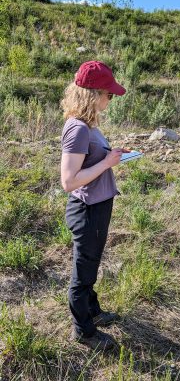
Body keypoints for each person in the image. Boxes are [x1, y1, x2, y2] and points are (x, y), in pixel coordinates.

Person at [60, 61, 128, 350]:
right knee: (83, 272)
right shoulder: (77, 129)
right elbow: (69, 181)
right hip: (87, 210)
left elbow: (92, 162)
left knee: (91, 264)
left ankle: (94, 312)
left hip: (97, 207)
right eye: (108, 94)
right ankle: (84, 330)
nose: (110, 99)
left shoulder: (88, 125)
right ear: (93, 94)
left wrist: (113, 156)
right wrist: (106, 162)